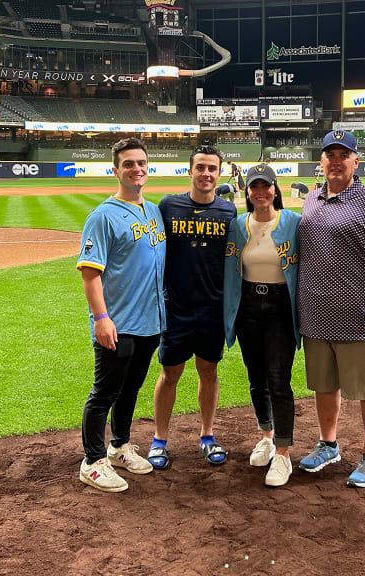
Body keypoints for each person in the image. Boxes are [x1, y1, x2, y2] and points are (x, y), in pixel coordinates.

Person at [296, 130, 365, 488]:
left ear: (356, 161)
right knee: (324, 386)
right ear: (322, 161)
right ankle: (328, 444)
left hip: (359, 318)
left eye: (344, 154)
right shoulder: (311, 200)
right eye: (330, 154)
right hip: (315, 315)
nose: (336, 161)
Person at [76, 137, 166, 493]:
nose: (136, 168)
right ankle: (93, 461)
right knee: (104, 394)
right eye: (128, 163)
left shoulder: (154, 211)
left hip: (150, 321)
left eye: (141, 163)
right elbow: (90, 273)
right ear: (115, 170)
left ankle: (119, 447)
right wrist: (101, 318)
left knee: (131, 389)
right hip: (118, 322)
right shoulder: (102, 216)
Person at [148, 144, 237, 470]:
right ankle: (159, 439)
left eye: (212, 168)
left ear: (219, 172)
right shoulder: (168, 206)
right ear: (190, 171)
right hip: (176, 308)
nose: (206, 174)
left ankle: (208, 435)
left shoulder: (228, 212)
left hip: (212, 308)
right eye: (200, 167)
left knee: (208, 371)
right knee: (169, 372)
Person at [223, 164, 301, 487]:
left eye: (265, 186)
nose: (260, 193)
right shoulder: (238, 226)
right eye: (254, 187)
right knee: (256, 378)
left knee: (278, 380)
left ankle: (283, 453)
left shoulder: (294, 223)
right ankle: (266, 437)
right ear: (247, 192)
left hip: (280, 307)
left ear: (275, 189)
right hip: (248, 308)